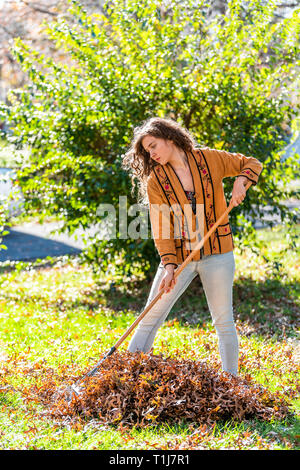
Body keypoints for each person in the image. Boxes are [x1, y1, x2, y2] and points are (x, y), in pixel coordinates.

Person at [122, 117, 263, 376]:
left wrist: (241, 182)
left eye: (153, 146)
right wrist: (169, 265)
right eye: (147, 151)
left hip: (218, 253)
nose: (151, 154)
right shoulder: (157, 180)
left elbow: (251, 163)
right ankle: (127, 376)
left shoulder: (210, 159)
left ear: (170, 138)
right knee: (150, 316)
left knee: (224, 322)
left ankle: (231, 384)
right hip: (180, 257)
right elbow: (161, 226)